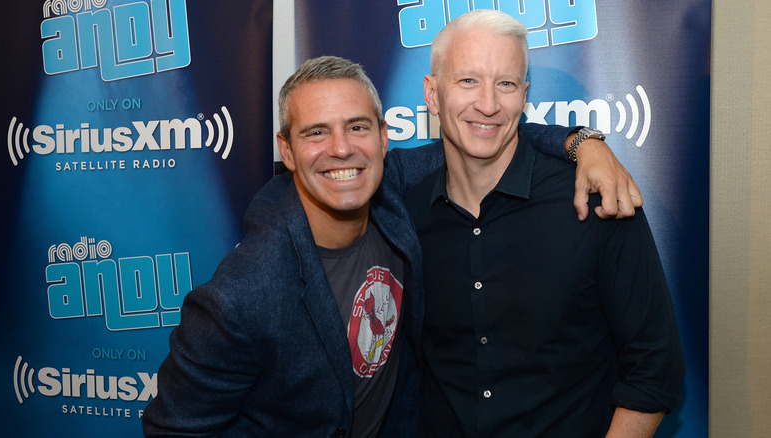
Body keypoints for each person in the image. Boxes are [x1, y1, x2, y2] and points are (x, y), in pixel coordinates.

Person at [142, 54, 642, 435]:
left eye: (357, 127)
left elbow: (488, 133)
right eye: (317, 132)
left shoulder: (391, 191)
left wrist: (583, 142)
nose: (341, 148)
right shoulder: (240, 297)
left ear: (384, 138)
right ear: (287, 150)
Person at [399, 9, 685, 437]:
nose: (489, 104)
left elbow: (655, 367)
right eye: (468, 80)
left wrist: (583, 142)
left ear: (525, 95)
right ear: (432, 93)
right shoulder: (404, 211)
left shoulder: (595, 198)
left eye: (506, 84)